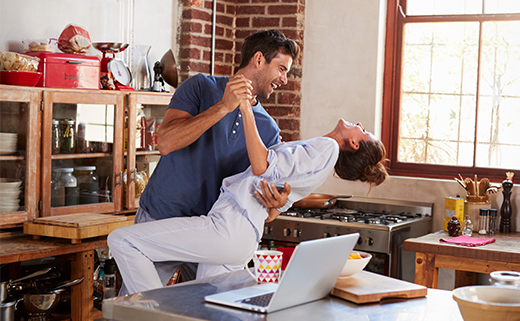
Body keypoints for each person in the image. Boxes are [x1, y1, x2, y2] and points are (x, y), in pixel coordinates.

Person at [108, 92, 389, 294]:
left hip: (228, 227)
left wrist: (245, 109)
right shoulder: (322, 159)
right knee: (211, 308)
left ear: (353, 143)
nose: (359, 125)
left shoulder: (327, 149)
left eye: (364, 131)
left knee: (123, 240)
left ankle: (148, 314)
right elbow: (274, 207)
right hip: (241, 235)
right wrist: (277, 204)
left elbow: (261, 164)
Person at [128, 30, 300, 286]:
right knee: (135, 308)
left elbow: (268, 209)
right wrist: (223, 107)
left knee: (210, 311)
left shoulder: (268, 129)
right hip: (161, 218)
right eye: (282, 69)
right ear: (259, 59)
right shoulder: (200, 86)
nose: (285, 79)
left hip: (211, 233)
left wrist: (277, 202)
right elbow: (165, 142)